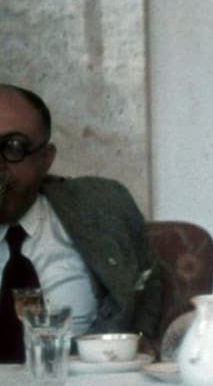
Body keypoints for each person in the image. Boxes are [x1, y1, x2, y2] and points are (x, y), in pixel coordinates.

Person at [0, 84, 161, 360]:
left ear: (45, 159)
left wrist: (138, 339)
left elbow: (148, 282)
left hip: (84, 385)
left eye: (13, 146)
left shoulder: (102, 207)